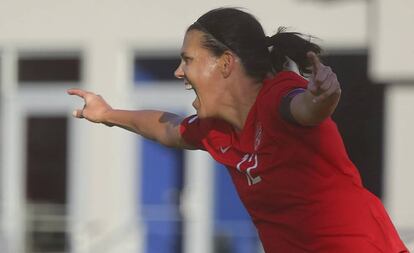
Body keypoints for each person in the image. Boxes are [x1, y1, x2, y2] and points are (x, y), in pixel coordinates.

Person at [67, 7, 409, 253]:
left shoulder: (279, 98)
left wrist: (324, 96)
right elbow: (167, 128)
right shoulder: (217, 129)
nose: (178, 71)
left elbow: (306, 108)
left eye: (188, 60)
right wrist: (108, 113)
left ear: (226, 63)